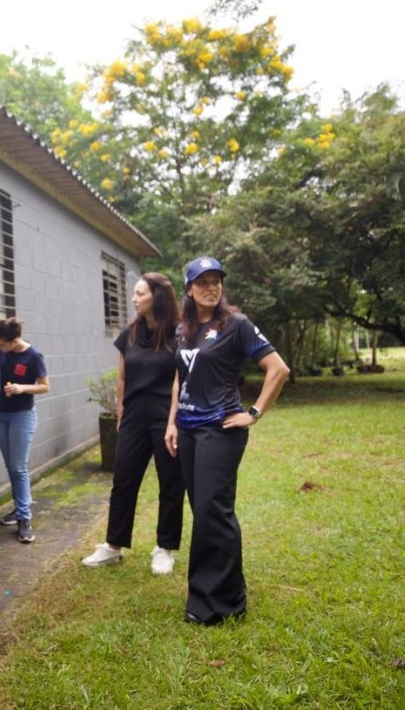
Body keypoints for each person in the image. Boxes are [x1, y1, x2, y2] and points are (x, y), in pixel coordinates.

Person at [164, 256, 290, 626]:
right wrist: (172, 422)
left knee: (214, 512)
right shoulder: (183, 329)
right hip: (188, 430)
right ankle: (212, 595)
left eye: (216, 281)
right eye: (202, 282)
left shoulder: (236, 325)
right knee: (203, 512)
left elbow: (278, 368)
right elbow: (180, 378)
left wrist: (254, 412)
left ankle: (222, 604)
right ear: (189, 289)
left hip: (220, 430)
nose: (211, 287)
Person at [82, 273, 185, 574]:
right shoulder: (130, 333)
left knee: (170, 483)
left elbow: (182, 378)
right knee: (123, 480)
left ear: (157, 296)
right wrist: (121, 411)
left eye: (140, 293)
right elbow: (123, 376)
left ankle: (164, 547)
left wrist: (174, 421)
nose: (134, 299)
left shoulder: (180, 334)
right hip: (135, 416)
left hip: (166, 416)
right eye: (134, 293)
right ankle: (113, 545)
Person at [0, 317, 49, 544]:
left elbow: (45, 386)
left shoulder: (33, 356)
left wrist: (21, 388)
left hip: (22, 416)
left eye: (2, 344)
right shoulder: (2, 350)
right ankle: (19, 508)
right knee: (11, 466)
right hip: (2, 415)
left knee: (18, 467)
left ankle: (25, 519)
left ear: (15, 340)